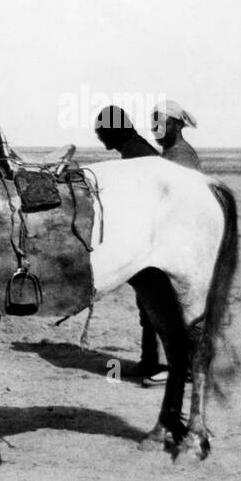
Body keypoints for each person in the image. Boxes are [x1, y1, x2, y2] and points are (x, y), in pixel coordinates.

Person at [93, 105, 165, 385]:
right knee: (148, 308)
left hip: (152, 245)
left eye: (101, 132)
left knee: (156, 308)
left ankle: (163, 367)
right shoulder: (135, 152)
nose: (100, 139)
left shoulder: (138, 157)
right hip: (146, 244)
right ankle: (150, 362)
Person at [94, 104, 159, 159]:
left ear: (112, 131)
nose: (99, 137)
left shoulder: (135, 152)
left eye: (100, 132)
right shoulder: (136, 147)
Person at [152, 100, 201, 171]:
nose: (156, 129)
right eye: (154, 124)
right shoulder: (172, 152)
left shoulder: (182, 155)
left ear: (178, 125)